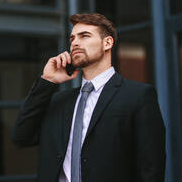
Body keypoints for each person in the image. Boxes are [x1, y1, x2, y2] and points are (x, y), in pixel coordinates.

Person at [12, 13, 166, 182]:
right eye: (72, 39)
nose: (75, 43)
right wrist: (48, 81)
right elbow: (22, 137)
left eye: (84, 36)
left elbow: (151, 167)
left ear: (107, 43)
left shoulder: (138, 95)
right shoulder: (59, 100)